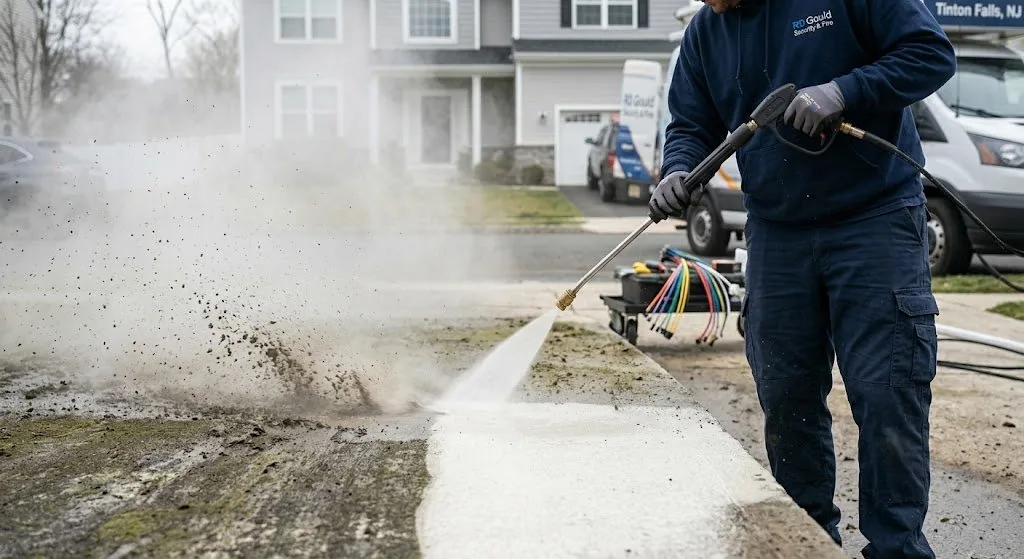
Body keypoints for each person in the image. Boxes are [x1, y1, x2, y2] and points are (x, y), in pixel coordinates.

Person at [649, 1, 956, 558]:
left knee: (887, 394)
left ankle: (896, 549)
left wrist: (845, 90)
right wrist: (678, 169)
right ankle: (807, 544)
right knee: (787, 398)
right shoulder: (706, 33)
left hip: (875, 218)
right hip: (777, 231)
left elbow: (930, 55)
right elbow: (691, 124)